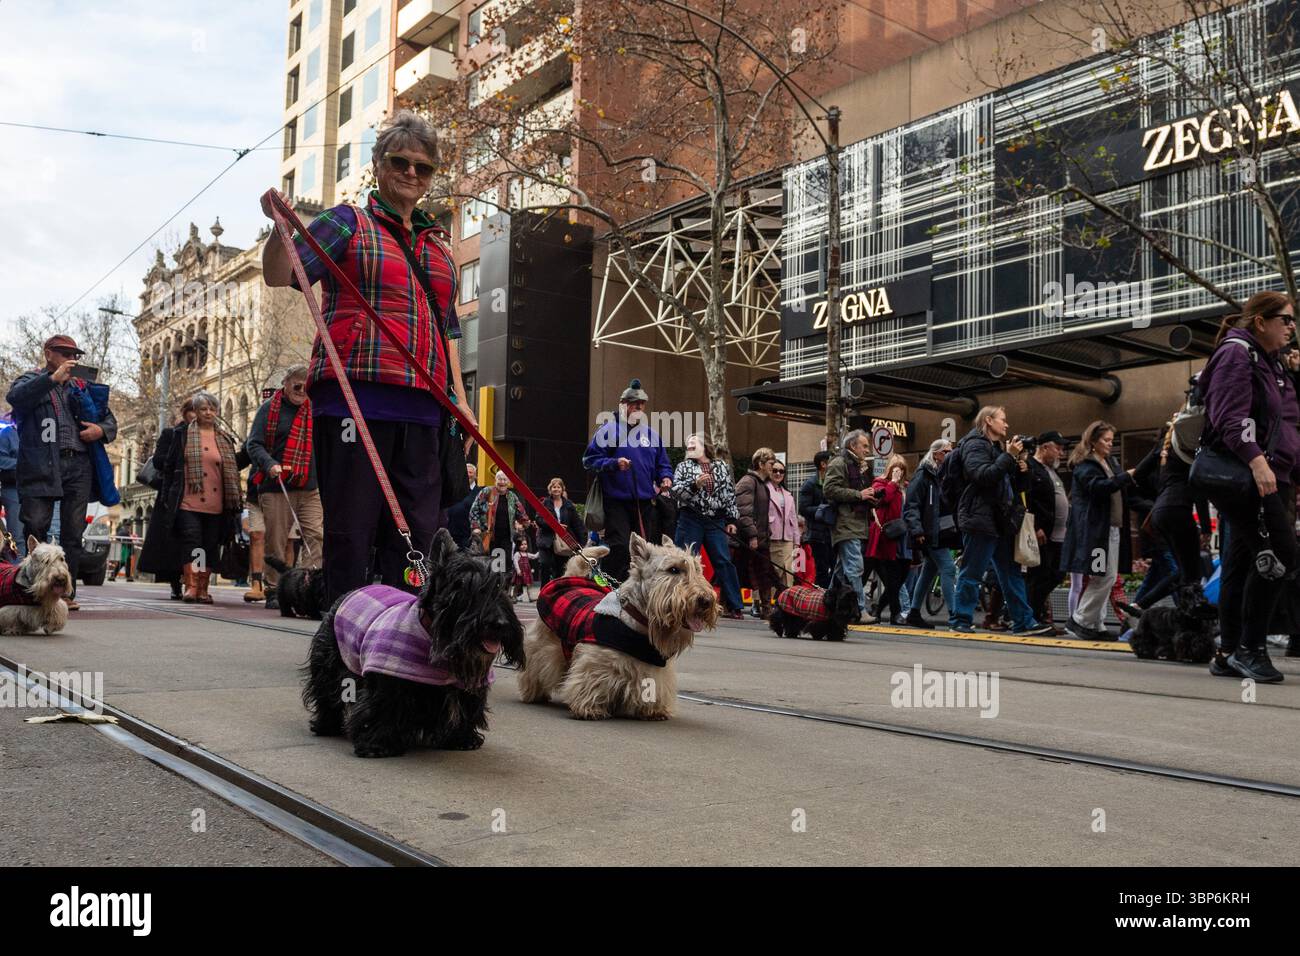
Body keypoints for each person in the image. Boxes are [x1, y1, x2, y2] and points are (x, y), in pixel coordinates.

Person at [261, 110, 477, 605]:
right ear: (379, 165)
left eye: (423, 168)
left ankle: (398, 634)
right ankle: (342, 633)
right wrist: (278, 230)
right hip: (355, 395)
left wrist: (460, 402)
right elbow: (283, 275)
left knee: (419, 531)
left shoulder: (438, 246)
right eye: (400, 162)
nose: (411, 174)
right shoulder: (347, 223)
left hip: (424, 406)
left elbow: (449, 328)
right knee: (351, 528)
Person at [1198, 291, 1300, 682]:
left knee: (1242, 564)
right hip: (1255, 478)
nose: (1292, 327)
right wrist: (1257, 463)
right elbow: (1229, 417)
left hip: (1274, 475)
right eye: (1286, 320)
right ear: (1260, 321)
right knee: (1280, 555)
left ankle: (1227, 654)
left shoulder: (1272, 363)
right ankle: (1250, 649)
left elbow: (1285, 427)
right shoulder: (1237, 353)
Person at [6, 335, 119, 611]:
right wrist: (52, 379)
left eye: (75, 354)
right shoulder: (31, 380)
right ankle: (34, 589)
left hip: (79, 465)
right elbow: (15, 398)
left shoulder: (83, 387)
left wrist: (100, 431)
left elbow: (109, 421)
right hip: (41, 464)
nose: (72, 359)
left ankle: (66, 593)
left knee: (73, 532)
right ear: (48, 354)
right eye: (64, 352)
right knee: (36, 525)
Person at [949, 407, 1053, 636]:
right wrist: (1008, 456)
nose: (1006, 425)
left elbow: (1018, 487)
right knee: (973, 570)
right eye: (1003, 420)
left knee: (1011, 572)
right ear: (988, 421)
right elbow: (982, 475)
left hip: (1001, 520)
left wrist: (1022, 468)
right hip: (980, 518)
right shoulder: (974, 444)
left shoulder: (996, 448)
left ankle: (1023, 621)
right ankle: (961, 619)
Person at [143, 392, 243, 604]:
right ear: (195, 412)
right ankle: (192, 586)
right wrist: (170, 495)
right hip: (189, 499)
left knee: (209, 545)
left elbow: (232, 467)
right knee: (192, 541)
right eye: (203, 409)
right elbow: (167, 466)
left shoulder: (225, 438)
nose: (208, 413)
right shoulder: (182, 434)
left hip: (217, 503)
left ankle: (204, 588)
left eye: (212, 409)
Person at [1119, 408, 1215, 618]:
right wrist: (1206, 528)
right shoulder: (1190, 447)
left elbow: (1139, 473)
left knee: (1182, 570)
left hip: (1160, 513)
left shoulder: (1163, 446)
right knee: (1192, 574)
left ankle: (1141, 605)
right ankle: (1189, 621)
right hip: (1179, 510)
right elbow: (1197, 490)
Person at [245, 366, 324, 612]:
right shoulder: (269, 409)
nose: (301, 391)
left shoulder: (317, 408)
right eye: (297, 386)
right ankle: (273, 588)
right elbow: (253, 444)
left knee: (316, 535)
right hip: (277, 486)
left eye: (306, 386)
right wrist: (269, 464)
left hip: (310, 486)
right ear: (286, 384)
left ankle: (309, 585)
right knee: (276, 541)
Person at [582, 378, 672, 582]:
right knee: (620, 546)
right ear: (622, 405)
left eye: (641, 404)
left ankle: (638, 588)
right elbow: (589, 460)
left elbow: (662, 464)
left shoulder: (652, 435)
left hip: (645, 503)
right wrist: (614, 463)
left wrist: (665, 477)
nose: (638, 407)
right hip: (616, 501)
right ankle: (613, 586)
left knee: (643, 548)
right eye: (633, 403)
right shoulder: (607, 431)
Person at [1061, 420, 1137, 641]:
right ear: (1093, 441)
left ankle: (1096, 623)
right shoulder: (1085, 466)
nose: (1110, 444)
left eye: (1111, 440)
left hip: (1111, 531)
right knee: (1102, 577)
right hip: (1096, 534)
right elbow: (1099, 488)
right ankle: (1081, 620)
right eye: (1106, 440)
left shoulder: (1110, 462)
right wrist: (1125, 477)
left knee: (1104, 577)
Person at [671, 433, 745, 620]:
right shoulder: (683, 467)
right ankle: (677, 601)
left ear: (704, 446)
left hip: (715, 520)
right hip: (690, 518)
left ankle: (735, 605)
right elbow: (676, 492)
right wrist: (695, 485)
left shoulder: (720, 466)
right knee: (684, 560)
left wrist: (731, 521)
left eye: (693, 443)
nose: (690, 446)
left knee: (723, 560)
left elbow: (729, 495)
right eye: (688, 444)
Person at [822, 429, 882, 623]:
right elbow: (829, 489)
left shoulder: (861, 466)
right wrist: (860, 495)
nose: (867, 450)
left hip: (856, 523)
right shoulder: (839, 463)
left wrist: (871, 496)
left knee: (841, 570)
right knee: (855, 567)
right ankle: (860, 610)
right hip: (845, 524)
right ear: (852, 446)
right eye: (864, 446)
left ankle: (825, 605)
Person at [139, 400, 196, 599]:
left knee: (196, 540)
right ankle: (176, 582)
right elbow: (159, 460)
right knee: (174, 541)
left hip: (199, 495)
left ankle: (196, 582)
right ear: (185, 413)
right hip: (173, 494)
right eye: (193, 411)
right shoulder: (171, 434)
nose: (197, 416)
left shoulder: (211, 435)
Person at [902, 438, 956, 629]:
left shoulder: (941, 476)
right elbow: (911, 506)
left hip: (939, 532)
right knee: (949, 569)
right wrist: (917, 530)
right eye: (947, 451)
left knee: (928, 572)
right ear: (936, 454)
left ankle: (914, 612)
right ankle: (955, 615)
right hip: (929, 533)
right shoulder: (923, 476)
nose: (950, 454)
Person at [1025, 431, 1070, 630]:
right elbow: (1027, 498)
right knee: (1040, 575)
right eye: (1057, 448)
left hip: (1058, 534)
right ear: (1044, 447)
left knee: (1057, 574)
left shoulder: (1051, 470)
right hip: (1043, 533)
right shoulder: (1031, 467)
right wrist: (1036, 527)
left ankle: (1035, 613)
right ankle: (1031, 616)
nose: (1061, 452)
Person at [866, 455, 910, 625]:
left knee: (900, 577)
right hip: (886, 537)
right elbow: (882, 500)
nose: (899, 473)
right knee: (891, 578)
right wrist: (892, 482)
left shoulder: (906, 487)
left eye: (902, 469)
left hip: (903, 537)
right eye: (895, 469)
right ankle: (895, 613)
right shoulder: (880, 484)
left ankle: (878, 608)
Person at [735, 447, 779, 618]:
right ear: (760, 464)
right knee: (740, 572)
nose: (772, 467)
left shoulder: (762, 485)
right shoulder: (748, 482)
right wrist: (752, 535)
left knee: (765, 574)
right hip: (747, 540)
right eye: (770, 463)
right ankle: (726, 604)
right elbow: (743, 511)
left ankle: (767, 608)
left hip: (759, 539)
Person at [470, 470, 529, 567]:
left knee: (506, 564)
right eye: (500, 479)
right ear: (495, 480)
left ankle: (502, 582)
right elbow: (474, 510)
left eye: (505, 479)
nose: (502, 482)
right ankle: (491, 582)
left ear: (509, 482)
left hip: (507, 536)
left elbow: (522, 513)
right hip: (489, 535)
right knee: (490, 564)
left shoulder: (512, 496)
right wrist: (476, 527)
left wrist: (523, 523)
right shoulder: (487, 492)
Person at [534, 478, 584, 585]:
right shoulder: (545, 503)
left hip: (563, 542)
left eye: (558, 487)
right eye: (554, 487)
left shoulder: (569, 505)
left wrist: (580, 543)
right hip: (546, 540)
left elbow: (577, 524)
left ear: (562, 489)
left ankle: (557, 592)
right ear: (550, 489)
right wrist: (555, 526)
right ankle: (544, 591)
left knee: (560, 570)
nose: (556, 489)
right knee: (544, 565)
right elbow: (539, 519)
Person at [798, 450, 834, 587]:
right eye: (832, 461)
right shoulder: (810, 484)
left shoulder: (833, 483)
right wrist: (823, 510)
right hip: (817, 536)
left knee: (836, 567)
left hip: (832, 534)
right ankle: (820, 601)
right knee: (822, 571)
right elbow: (803, 508)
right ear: (823, 464)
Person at [767, 459, 800, 591]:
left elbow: (794, 518)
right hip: (770, 536)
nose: (778, 473)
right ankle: (762, 603)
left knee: (788, 572)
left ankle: (786, 602)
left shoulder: (788, 494)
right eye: (775, 470)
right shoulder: (764, 489)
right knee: (770, 571)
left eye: (781, 471)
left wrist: (797, 541)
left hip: (788, 538)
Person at [0, 418, 24, 559]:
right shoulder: (7, 433)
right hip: (13, 488)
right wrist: (24, 462)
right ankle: (15, 572)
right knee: (16, 535)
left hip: (37, 487)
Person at [445, 463, 480, 551]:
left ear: (475, 476)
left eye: (470, 472)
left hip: (467, 536)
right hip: (450, 534)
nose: (467, 474)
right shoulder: (452, 489)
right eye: (465, 472)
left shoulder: (479, 492)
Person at [512, 534, 538, 603]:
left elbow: (534, 556)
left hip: (526, 572)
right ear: (518, 546)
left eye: (525, 544)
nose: (524, 546)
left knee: (529, 585)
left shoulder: (526, 554)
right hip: (520, 572)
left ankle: (531, 597)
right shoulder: (517, 554)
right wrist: (518, 570)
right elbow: (515, 562)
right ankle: (514, 596)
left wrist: (539, 552)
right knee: (518, 585)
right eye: (522, 544)